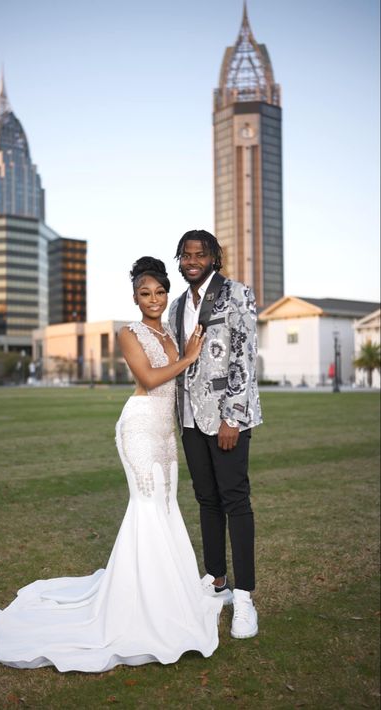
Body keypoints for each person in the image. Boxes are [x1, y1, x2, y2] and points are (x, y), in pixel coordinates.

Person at [0, 256, 223, 673]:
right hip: (140, 427)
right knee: (146, 507)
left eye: (160, 292)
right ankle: (137, 606)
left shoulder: (168, 331)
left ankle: (169, 595)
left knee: (166, 507)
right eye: (145, 294)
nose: (153, 300)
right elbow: (148, 379)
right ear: (134, 297)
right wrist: (191, 356)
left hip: (166, 432)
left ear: (167, 294)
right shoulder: (129, 334)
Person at [168, 230, 262, 639]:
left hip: (226, 419)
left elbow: (244, 355)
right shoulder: (175, 306)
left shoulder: (237, 294)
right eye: (186, 254)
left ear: (213, 258)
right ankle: (217, 581)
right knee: (206, 500)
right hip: (189, 418)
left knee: (235, 501)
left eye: (200, 254)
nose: (192, 260)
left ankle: (244, 599)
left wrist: (233, 417)